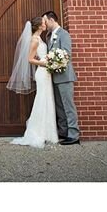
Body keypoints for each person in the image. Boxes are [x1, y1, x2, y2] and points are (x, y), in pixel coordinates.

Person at [7, 16, 59, 148]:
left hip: (45, 72)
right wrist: (45, 62)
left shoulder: (40, 38)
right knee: (42, 100)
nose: (45, 24)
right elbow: (30, 59)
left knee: (47, 99)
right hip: (42, 72)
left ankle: (48, 133)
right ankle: (37, 132)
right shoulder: (35, 40)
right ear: (39, 26)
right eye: (43, 23)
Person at [42, 11, 80, 145]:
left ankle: (74, 135)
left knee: (68, 106)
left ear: (52, 20)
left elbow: (66, 54)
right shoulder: (49, 36)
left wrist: (52, 62)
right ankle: (63, 132)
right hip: (54, 77)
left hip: (65, 76)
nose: (44, 24)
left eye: (45, 21)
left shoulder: (64, 34)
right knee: (59, 107)